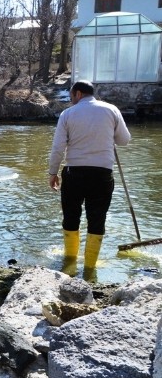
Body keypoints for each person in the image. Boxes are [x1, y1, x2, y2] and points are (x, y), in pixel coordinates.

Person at [48, 80, 131, 270]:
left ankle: (70, 262)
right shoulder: (111, 110)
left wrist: (53, 172)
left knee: (71, 217)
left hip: (74, 173)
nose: (70, 100)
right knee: (97, 219)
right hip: (102, 174)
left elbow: (58, 148)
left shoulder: (68, 114)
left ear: (77, 94)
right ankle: (90, 268)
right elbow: (125, 140)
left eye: (71, 97)